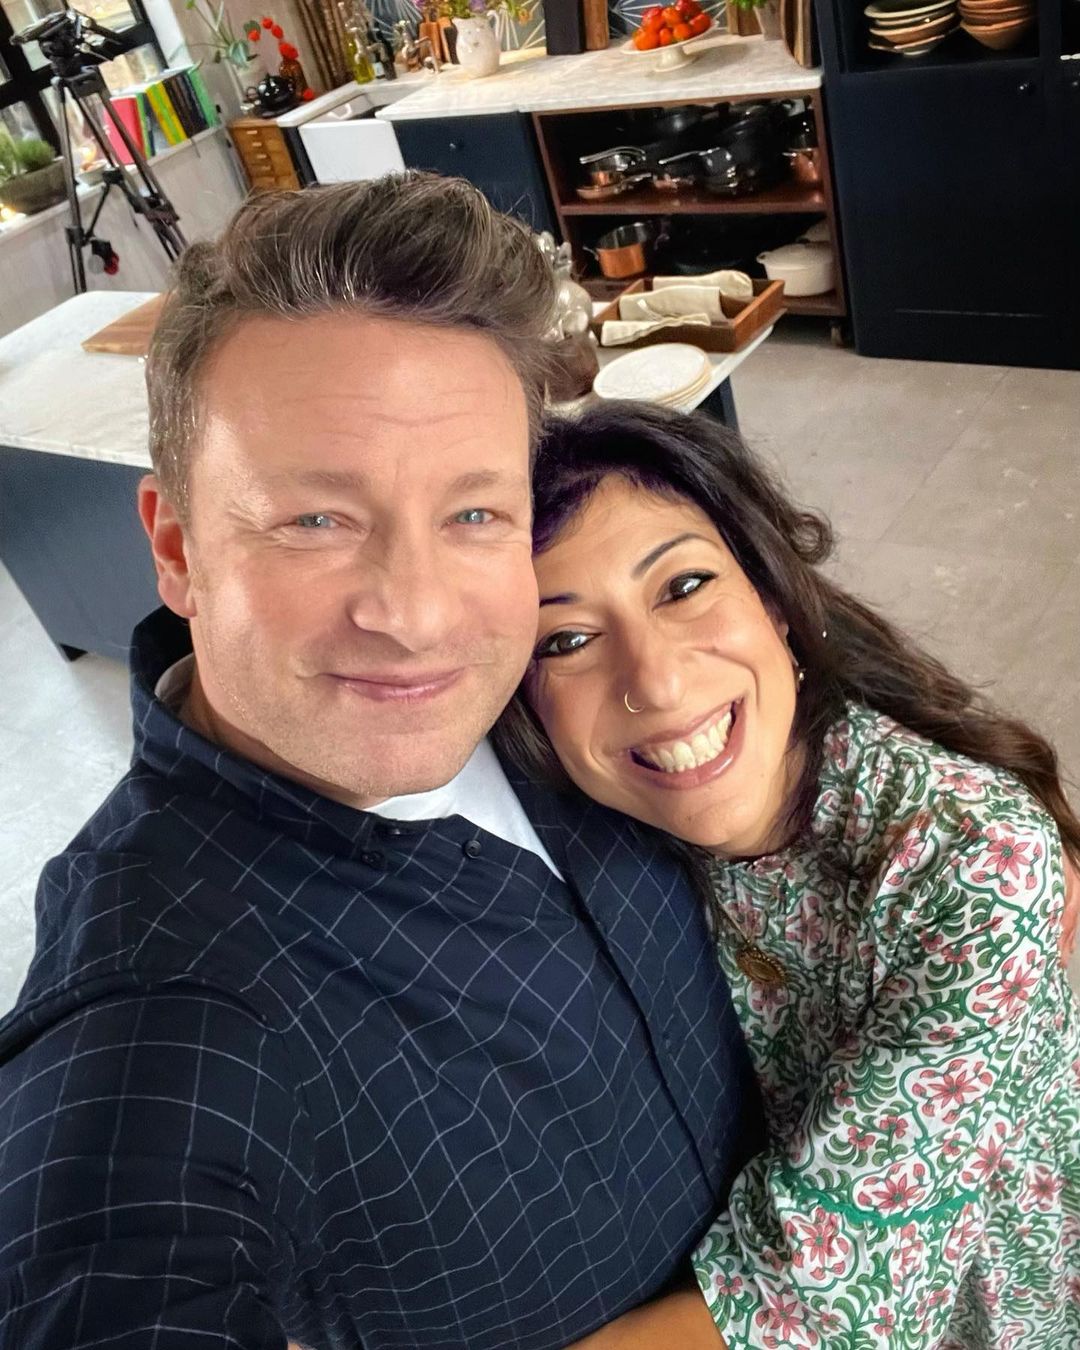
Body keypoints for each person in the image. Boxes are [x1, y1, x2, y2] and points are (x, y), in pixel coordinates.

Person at [0, 180, 763, 1349]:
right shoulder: (164, 1000)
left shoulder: (558, 671)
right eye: (317, 520)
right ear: (178, 548)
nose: (417, 617)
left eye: (474, 517)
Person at [494, 400, 1080, 1349]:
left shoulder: (975, 865)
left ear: (771, 597)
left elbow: (824, 1301)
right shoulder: (583, 824)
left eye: (683, 586)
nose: (657, 682)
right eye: (565, 641)